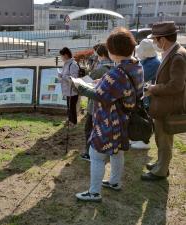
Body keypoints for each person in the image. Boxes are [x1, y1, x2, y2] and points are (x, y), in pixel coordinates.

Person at [73, 27, 144, 202]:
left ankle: (94, 192)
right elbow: (118, 88)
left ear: (113, 52)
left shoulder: (116, 73)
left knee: (96, 154)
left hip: (109, 120)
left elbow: (100, 95)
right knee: (117, 152)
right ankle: (114, 182)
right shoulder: (137, 65)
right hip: (125, 118)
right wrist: (102, 81)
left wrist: (79, 85)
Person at [141, 21, 186, 181]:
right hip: (164, 104)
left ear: (163, 40)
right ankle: (161, 164)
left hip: (168, 106)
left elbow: (176, 86)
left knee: (165, 139)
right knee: (161, 137)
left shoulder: (178, 56)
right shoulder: (172, 53)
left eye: (155, 39)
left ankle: (161, 171)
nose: (154, 43)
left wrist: (153, 89)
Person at [81, 43, 114, 161]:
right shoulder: (115, 66)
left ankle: (89, 153)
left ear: (103, 55)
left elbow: (88, 80)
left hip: (95, 104)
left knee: (89, 129)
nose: (97, 57)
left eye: (98, 55)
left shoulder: (102, 69)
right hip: (108, 105)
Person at [131, 38, 161, 150]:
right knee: (144, 116)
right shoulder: (150, 60)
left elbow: (139, 78)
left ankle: (145, 141)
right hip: (147, 94)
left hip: (150, 96)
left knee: (147, 118)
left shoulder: (153, 63)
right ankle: (142, 138)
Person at [58, 47, 80, 126]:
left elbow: (74, 78)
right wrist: (61, 74)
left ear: (66, 55)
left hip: (72, 90)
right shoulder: (67, 63)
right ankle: (70, 120)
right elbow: (66, 74)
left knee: (72, 107)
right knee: (69, 106)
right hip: (68, 89)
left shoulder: (72, 64)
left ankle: (73, 122)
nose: (61, 57)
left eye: (61, 56)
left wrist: (63, 77)